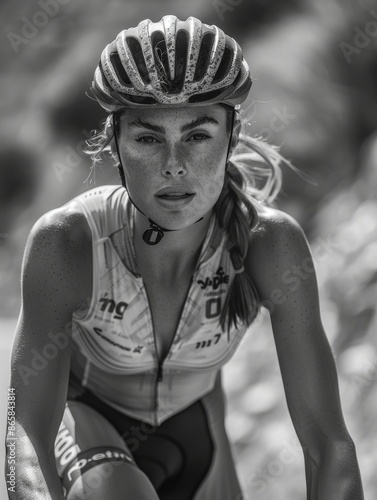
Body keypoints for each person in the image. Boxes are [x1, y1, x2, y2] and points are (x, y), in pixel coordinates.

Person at [6, 15, 364, 500]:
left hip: (200, 441)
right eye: (148, 138)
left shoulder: (270, 244)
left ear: (231, 138)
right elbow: (28, 436)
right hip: (89, 433)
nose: (174, 164)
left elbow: (328, 444)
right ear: (115, 144)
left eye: (198, 136)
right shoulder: (66, 242)